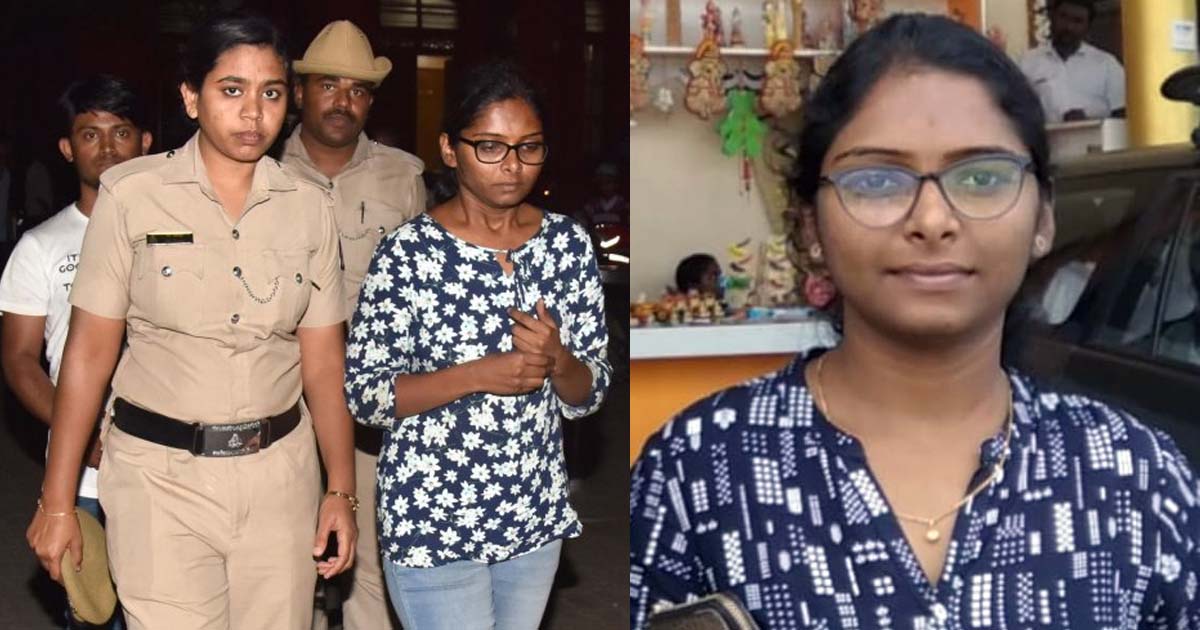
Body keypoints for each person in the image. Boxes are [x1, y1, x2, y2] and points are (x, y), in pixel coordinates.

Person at [630, 14, 1200, 629]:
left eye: (982, 177)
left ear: (1043, 221)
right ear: (810, 227)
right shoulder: (698, 468)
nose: (932, 218)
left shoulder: (1132, 474)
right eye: (876, 179)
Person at [25, 12, 358, 630]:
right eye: (231, 90)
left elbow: (323, 364)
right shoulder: (131, 196)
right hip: (158, 481)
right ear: (190, 97)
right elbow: (89, 355)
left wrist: (340, 490)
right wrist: (58, 500)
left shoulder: (309, 209)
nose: (253, 112)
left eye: (271, 93)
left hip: (278, 480)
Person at [344, 59, 611, 630]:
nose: (512, 166)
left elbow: (590, 394)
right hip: (433, 517)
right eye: (490, 146)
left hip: (532, 512)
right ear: (449, 149)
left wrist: (559, 359)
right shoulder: (408, 254)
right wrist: (477, 374)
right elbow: (366, 396)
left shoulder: (567, 245)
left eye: (528, 147)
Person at [280, 20, 425, 630]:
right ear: (298, 91)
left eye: (358, 90)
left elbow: (424, 293)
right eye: (329, 85)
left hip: (372, 407)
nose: (343, 101)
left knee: (370, 556)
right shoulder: (258, 170)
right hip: (281, 400)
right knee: (289, 562)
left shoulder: (403, 176)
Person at [0, 74, 152, 630]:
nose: (107, 148)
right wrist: (81, 433)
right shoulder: (40, 246)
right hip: (83, 479)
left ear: (146, 143)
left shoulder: (177, 236)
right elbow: (19, 359)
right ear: (68, 148)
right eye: (90, 135)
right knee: (93, 617)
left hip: (168, 472)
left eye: (121, 133)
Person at [1019, 0, 1124, 122]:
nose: (1068, 26)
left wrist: (1088, 120)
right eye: (1063, 17)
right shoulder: (1027, 62)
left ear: (1088, 27)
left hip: (1094, 139)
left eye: (1077, 21)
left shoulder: (1107, 64)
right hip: (1043, 140)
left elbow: (1122, 114)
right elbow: (1016, 111)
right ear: (1052, 17)